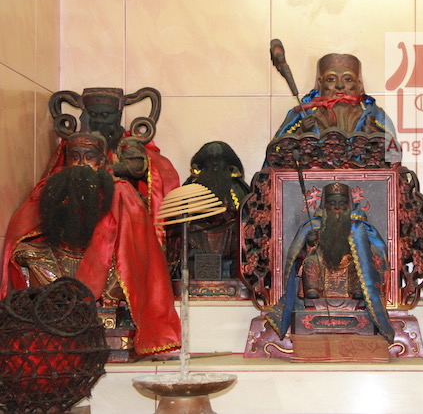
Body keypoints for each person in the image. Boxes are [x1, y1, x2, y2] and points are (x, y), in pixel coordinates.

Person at [0, 132, 181, 355]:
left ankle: (91, 304)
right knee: (25, 253)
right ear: (66, 159)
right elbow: (25, 225)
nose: (81, 164)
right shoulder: (52, 187)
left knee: (127, 274)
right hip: (58, 260)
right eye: (75, 157)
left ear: (102, 160)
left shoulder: (120, 190)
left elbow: (138, 242)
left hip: (105, 267)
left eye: (89, 157)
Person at [265, 182, 394, 343]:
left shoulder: (359, 226)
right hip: (322, 261)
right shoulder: (314, 224)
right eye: (332, 204)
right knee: (310, 262)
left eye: (342, 204)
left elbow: (376, 250)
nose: (337, 208)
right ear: (325, 206)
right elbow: (299, 254)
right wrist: (310, 242)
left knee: (357, 266)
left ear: (349, 205)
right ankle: (313, 290)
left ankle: (357, 292)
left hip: (349, 261)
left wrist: (364, 254)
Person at [47, 87, 180, 243]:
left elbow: (138, 166)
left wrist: (112, 169)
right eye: (93, 115)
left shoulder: (126, 144)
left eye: (105, 115)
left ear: (118, 116)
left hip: (122, 206)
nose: (99, 121)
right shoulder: (78, 143)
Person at [166, 141, 250, 279]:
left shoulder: (236, 187)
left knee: (240, 234)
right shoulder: (191, 186)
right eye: (211, 160)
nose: (215, 164)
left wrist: (227, 216)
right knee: (187, 233)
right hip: (199, 229)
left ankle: (236, 273)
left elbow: (246, 214)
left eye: (219, 159)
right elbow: (178, 215)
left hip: (229, 229)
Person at [273, 53, 397, 138]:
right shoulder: (303, 112)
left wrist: (375, 135)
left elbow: (393, 155)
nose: (339, 85)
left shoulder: (373, 112)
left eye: (347, 79)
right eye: (331, 79)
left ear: (358, 84)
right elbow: (278, 153)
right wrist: (302, 131)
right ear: (320, 83)